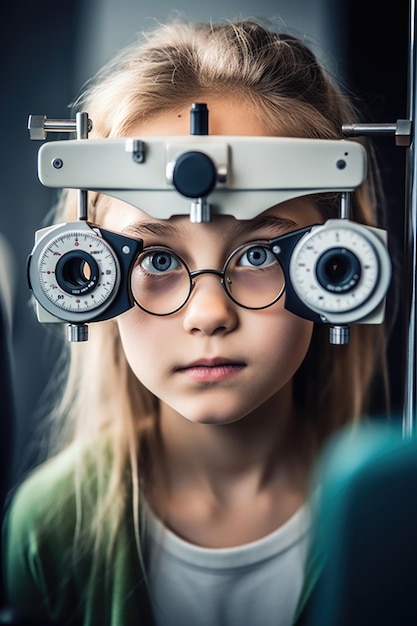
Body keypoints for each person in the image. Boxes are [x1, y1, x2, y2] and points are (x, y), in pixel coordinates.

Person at [2, 18, 391, 626]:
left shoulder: (390, 514)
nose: (209, 314)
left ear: (340, 266)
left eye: (260, 252)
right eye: (157, 258)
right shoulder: (50, 525)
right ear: (86, 272)